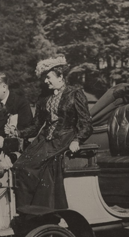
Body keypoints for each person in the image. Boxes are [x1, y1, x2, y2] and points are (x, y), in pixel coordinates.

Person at [12, 55, 92, 209]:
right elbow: (36, 126)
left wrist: (77, 140)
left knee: (40, 168)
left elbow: (86, 123)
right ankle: (24, 210)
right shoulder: (43, 97)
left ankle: (43, 210)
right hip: (44, 141)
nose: (45, 81)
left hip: (65, 138)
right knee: (20, 166)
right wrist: (18, 133)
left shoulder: (75, 93)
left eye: (48, 77)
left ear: (61, 77)